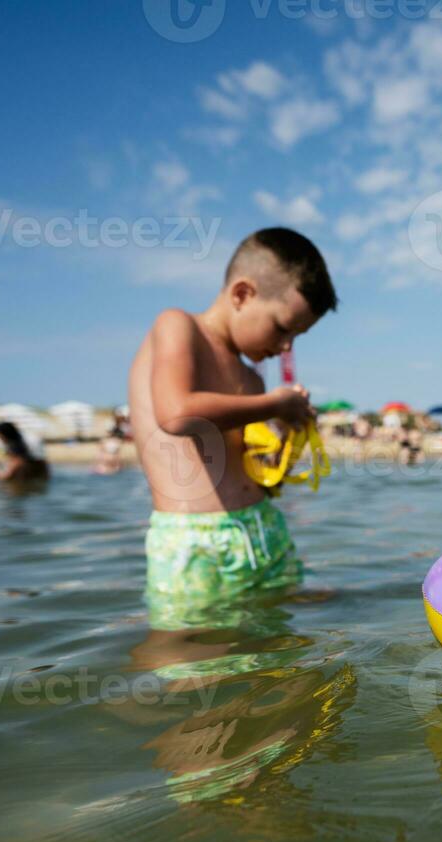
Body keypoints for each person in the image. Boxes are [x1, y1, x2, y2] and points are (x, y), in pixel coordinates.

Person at [127, 227, 337, 627]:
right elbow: (176, 414)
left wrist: (281, 446)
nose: (286, 346)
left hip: (262, 528)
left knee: (279, 648)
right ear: (242, 295)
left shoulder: (252, 381)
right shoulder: (178, 327)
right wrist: (276, 402)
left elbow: (253, 478)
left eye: (297, 336)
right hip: (195, 540)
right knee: (191, 664)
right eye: (282, 328)